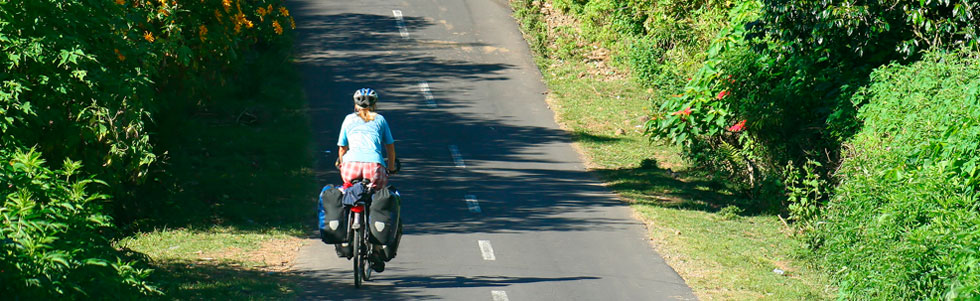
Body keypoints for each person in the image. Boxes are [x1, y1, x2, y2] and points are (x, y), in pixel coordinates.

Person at [336, 88, 397, 189]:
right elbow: (390, 148)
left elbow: (342, 149)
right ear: (374, 104)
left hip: (351, 165)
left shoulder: (348, 119)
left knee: (349, 192)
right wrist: (391, 169)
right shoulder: (380, 119)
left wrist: (342, 164)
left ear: (355, 105)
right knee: (379, 195)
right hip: (374, 166)